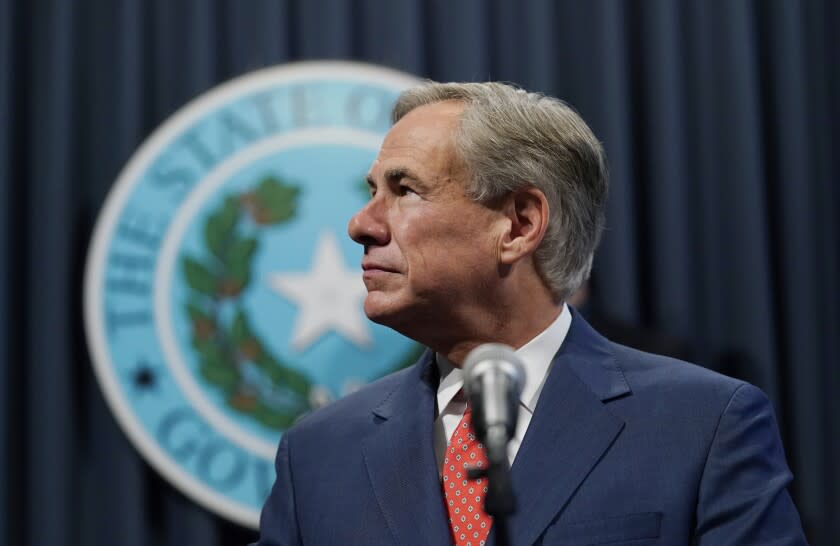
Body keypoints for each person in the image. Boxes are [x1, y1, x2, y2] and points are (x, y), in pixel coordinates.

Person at [253, 82, 807, 545]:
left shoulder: (705, 425)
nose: (361, 224)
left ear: (518, 224)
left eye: (405, 190)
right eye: (373, 190)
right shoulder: (318, 455)